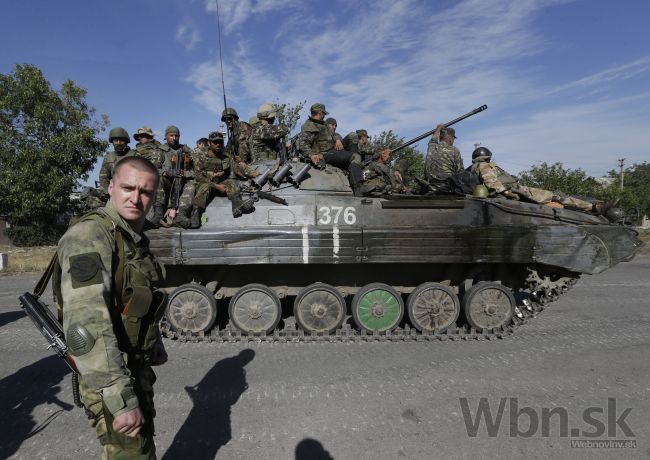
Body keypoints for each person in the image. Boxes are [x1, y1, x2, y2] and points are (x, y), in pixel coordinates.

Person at [56, 156, 167, 459]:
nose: (136, 198)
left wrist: (153, 340)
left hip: (131, 367)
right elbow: (85, 326)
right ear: (110, 186)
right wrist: (120, 399)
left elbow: (134, 299)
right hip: (110, 377)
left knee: (140, 449)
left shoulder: (131, 237)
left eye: (145, 192)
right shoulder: (90, 236)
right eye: (128, 188)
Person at [470, 147, 610, 213]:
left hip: (516, 189)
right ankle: (593, 207)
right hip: (517, 190)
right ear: (487, 157)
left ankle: (592, 205)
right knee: (556, 196)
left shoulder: (475, 166)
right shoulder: (484, 166)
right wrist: (508, 193)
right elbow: (492, 182)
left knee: (556, 199)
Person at [296, 103, 364, 195]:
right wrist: (311, 155)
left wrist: (337, 140)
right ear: (320, 113)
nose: (324, 116)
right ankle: (359, 188)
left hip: (334, 149)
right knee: (355, 157)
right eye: (323, 113)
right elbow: (302, 144)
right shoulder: (309, 126)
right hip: (325, 154)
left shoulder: (323, 124)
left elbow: (334, 133)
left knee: (353, 136)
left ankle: (353, 164)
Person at [192, 131, 259, 223]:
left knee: (232, 182)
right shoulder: (200, 155)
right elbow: (198, 176)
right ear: (209, 143)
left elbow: (237, 167)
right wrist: (217, 187)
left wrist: (252, 173)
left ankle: (237, 204)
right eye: (215, 142)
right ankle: (196, 215)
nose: (218, 144)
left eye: (220, 142)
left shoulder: (226, 156)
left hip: (220, 183)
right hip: (205, 183)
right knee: (205, 187)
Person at [159, 125, 196, 228]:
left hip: (182, 182)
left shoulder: (186, 150)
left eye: (176, 136)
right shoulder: (161, 151)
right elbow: (153, 170)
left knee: (192, 185)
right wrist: (167, 173)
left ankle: (182, 214)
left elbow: (196, 171)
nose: (174, 138)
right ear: (166, 136)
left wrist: (185, 174)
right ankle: (158, 213)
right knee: (159, 180)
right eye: (171, 135)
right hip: (168, 182)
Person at [133, 126, 166, 227]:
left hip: (155, 175)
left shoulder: (159, 149)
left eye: (144, 136)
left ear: (150, 137)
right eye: (140, 136)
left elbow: (161, 164)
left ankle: (158, 213)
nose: (141, 138)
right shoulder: (135, 151)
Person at [425, 124, 464, 193]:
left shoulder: (432, 146)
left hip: (430, 185)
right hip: (448, 186)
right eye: (453, 139)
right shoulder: (454, 150)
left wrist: (438, 128)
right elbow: (460, 172)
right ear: (450, 139)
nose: (453, 141)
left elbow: (433, 139)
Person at [98, 127, 136, 193]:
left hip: (132, 191)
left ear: (126, 142)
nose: (118, 143)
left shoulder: (135, 155)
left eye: (121, 140)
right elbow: (103, 177)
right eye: (116, 140)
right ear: (112, 142)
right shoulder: (109, 157)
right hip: (114, 192)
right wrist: (109, 193)